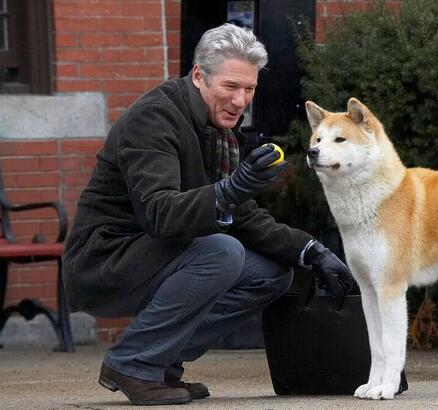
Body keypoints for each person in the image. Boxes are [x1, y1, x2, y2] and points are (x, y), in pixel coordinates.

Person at [62, 23, 353, 406]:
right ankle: (134, 362)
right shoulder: (155, 118)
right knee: (221, 252)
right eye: (230, 87)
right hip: (104, 263)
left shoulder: (216, 129)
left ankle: (162, 361)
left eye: (249, 89)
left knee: (272, 274)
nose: (240, 100)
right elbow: (161, 215)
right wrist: (231, 189)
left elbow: (243, 215)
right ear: (199, 76)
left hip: (154, 256)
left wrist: (311, 250)